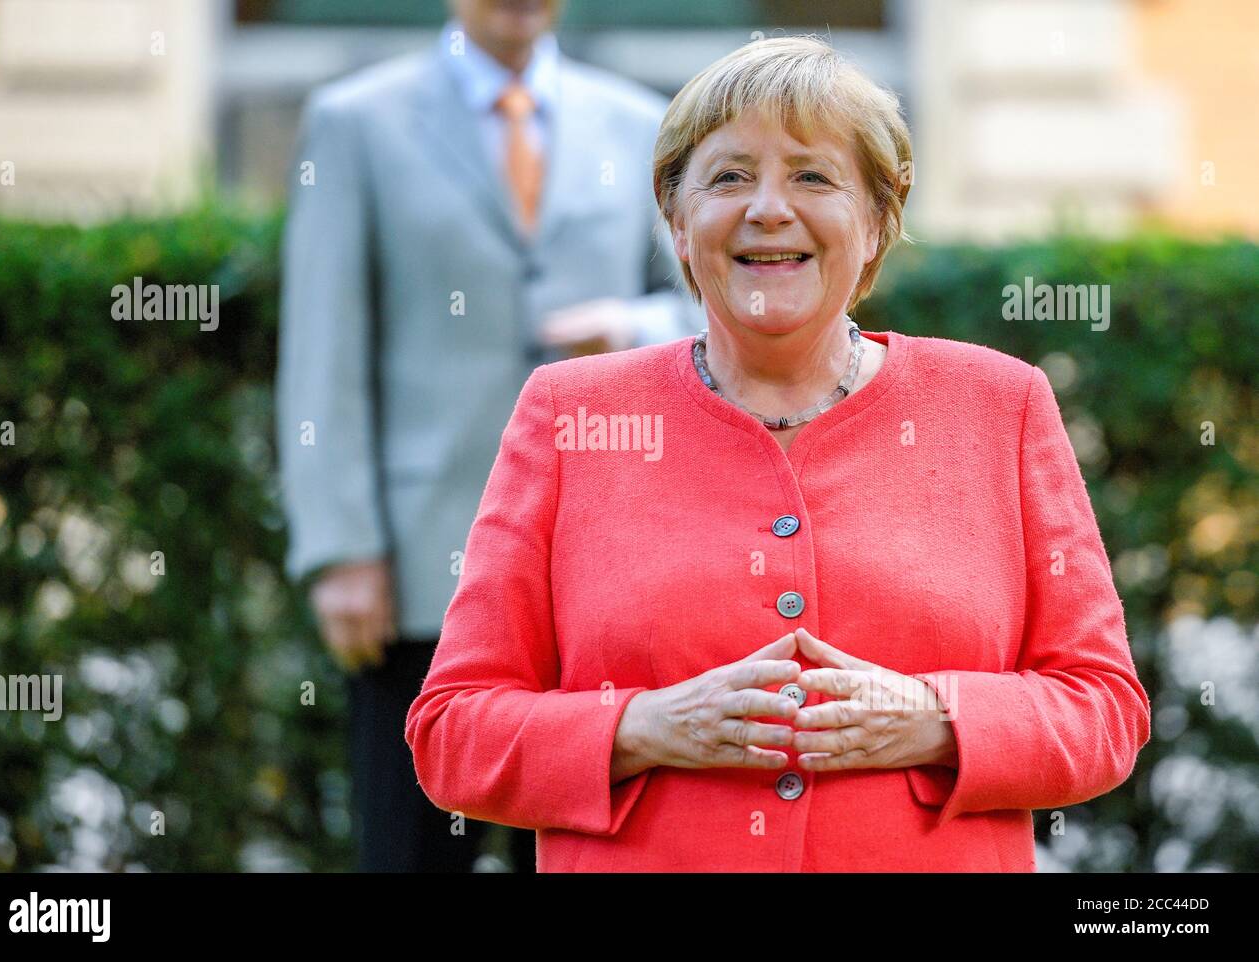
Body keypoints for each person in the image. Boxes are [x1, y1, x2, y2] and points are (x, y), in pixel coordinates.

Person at [404, 35, 1152, 871]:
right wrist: (643, 727)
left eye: (812, 176)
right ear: (678, 224)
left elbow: (1103, 711)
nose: (767, 207)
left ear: (876, 224)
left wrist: (935, 718)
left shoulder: (999, 405)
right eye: (727, 177)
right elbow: (452, 733)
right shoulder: (569, 413)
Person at [275, 0, 701, 872]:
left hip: (606, 554)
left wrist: (630, 322)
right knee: (413, 850)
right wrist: (340, 546)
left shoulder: (638, 121)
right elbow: (323, 345)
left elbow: (710, 303)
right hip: (421, 565)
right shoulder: (356, 122)